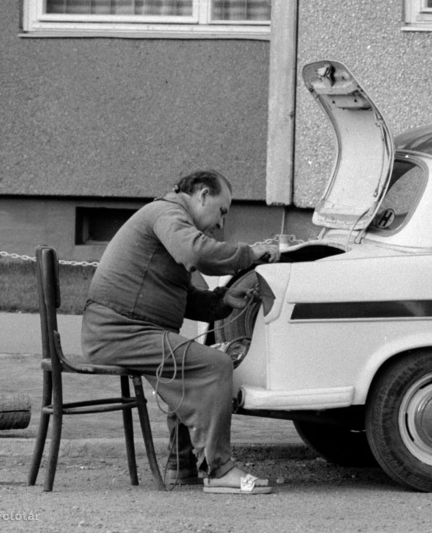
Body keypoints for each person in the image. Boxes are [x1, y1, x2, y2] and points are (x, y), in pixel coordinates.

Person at [79, 170, 281, 494]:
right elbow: (197, 253)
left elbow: (181, 298)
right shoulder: (166, 213)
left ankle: (183, 465)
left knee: (194, 362)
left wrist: (222, 300)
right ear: (202, 195)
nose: (220, 224)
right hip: (119, 332)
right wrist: (251, 254)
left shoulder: (168, 217)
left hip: (126, 330)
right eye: (221, 211)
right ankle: (219, 470)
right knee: (215, 365)